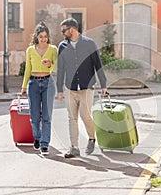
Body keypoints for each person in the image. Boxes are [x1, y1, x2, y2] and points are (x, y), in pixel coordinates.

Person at [56, 18, 107, 158]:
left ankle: (91, 138)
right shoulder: (62, 46)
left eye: (63, 30)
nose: (62, 33)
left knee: (85, 116)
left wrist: (104, 85)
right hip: (70, 88)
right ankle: (74, 147)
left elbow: (98, 65)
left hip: (87, 88)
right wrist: (59, 90)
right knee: (72, 118)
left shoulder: (89, 44)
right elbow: (60, 69)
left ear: (72, 29)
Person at [21, 22, 57, 155]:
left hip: (48, 83)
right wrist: (24, 86)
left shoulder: (53, 49)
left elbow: (57, 67)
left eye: (45, 36)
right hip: (33, 84)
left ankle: (44, 144)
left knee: (47, 116)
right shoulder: (30, 50)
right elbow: (27, 70)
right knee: (35, 117)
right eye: (41, 36)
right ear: (36, 37)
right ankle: (37, 137)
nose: (43, 39)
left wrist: (50, 65)